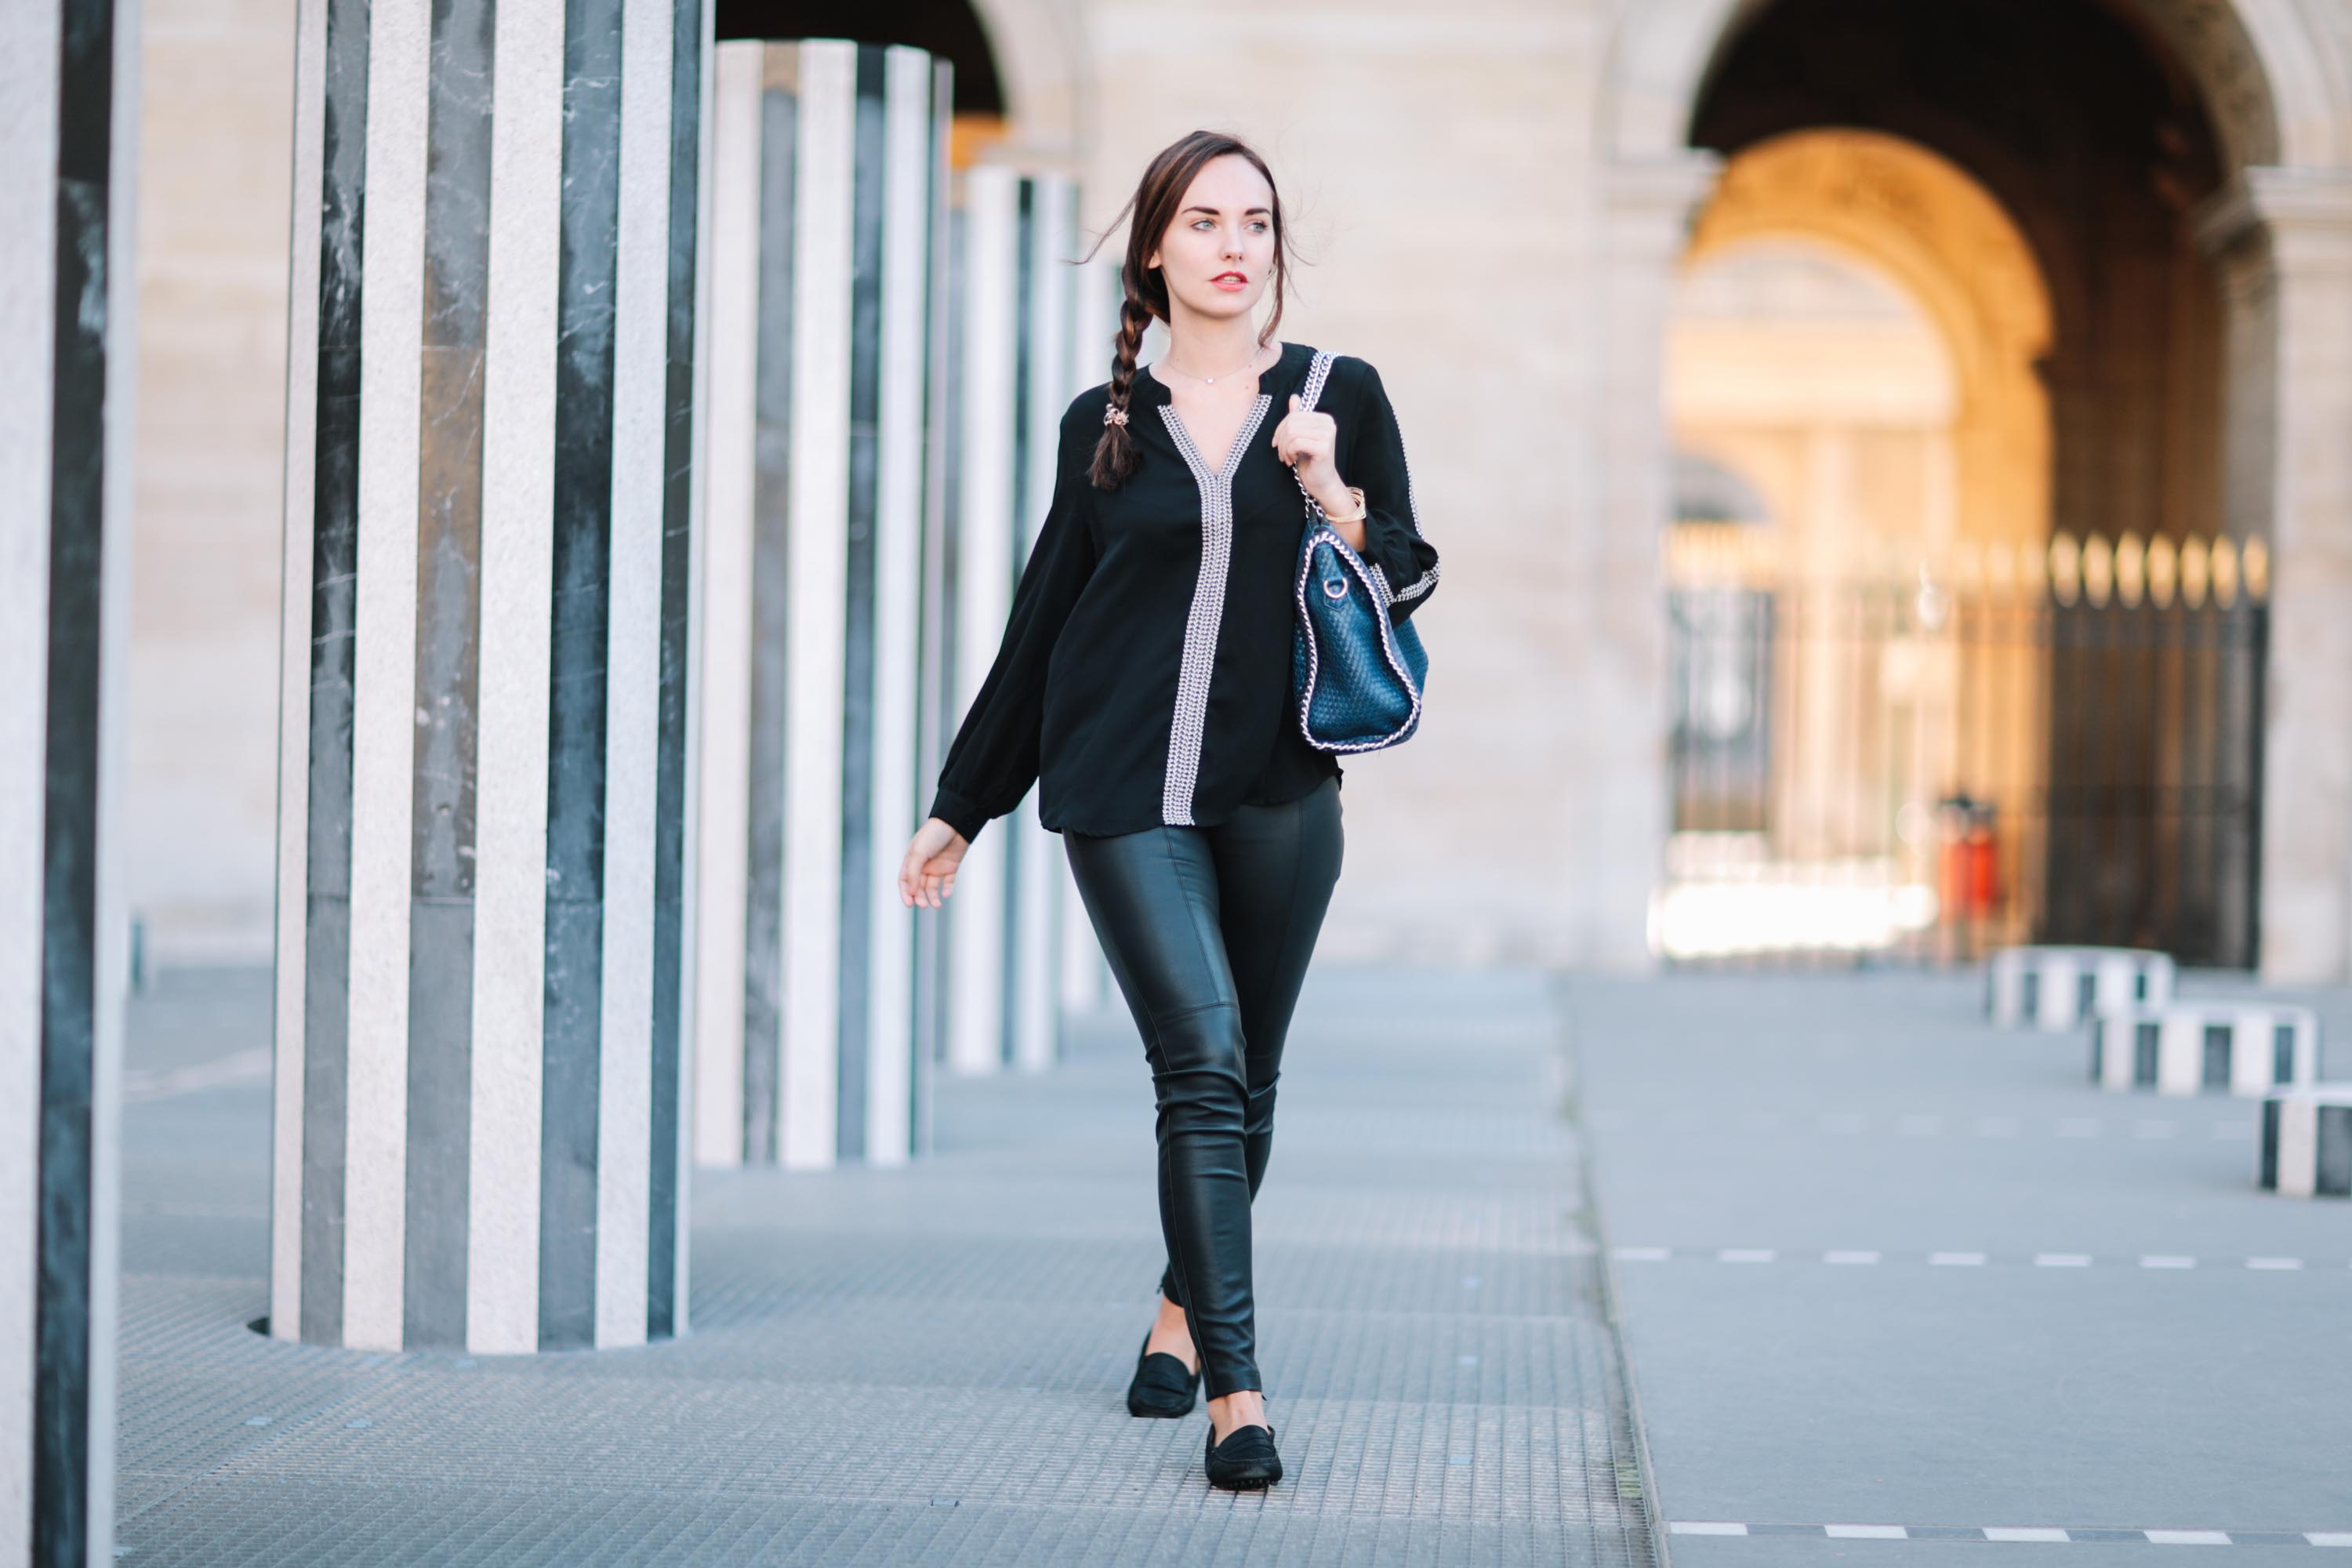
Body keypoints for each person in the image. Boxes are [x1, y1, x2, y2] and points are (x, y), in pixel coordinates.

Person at [895, 129, 1439, 1491]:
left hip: (1279, 794)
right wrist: (963, 804)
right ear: (1157, 248)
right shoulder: (1107, 420)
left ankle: (1179, 1308)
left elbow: (1413, 574)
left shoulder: (1338, 395)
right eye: (1204, 221)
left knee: (1246, 1080)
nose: (1234, 244)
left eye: (1255, 221)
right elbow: (1044, 625)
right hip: (1122, 792)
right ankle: (1241, 1397)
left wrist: (1327, 487)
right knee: (1197, 1066)